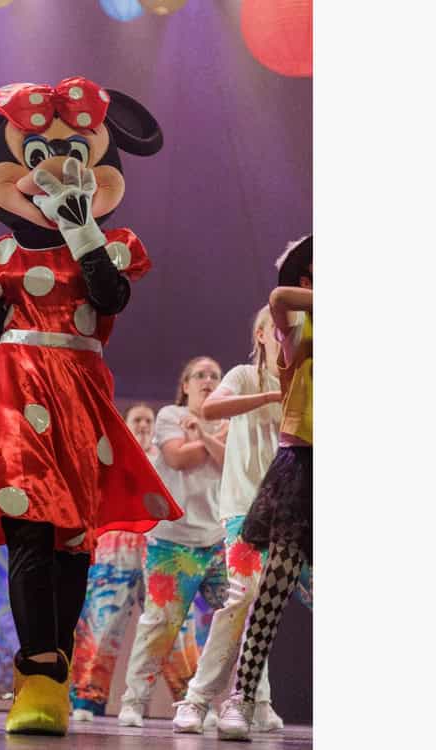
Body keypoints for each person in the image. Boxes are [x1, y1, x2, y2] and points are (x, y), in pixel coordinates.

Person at [0, 78, 181, 736]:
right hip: (14, 390)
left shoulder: (114, 243)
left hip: (80, 391)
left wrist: (80, 227)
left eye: (74, 152)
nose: (54, 167)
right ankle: (40, 674)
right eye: (36, 153)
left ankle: (57, 668)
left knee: (74, 539)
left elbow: (109, 298)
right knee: (28, 527)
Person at [172, 305, 310, 735]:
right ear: (262, 335)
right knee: (244, 596)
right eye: (280, 326)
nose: (289, 332)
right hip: (245, 509)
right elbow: (212, 409)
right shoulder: (244, 376)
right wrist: (271, 397)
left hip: (296, 513)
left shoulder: (308, 381)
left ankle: (255, 700)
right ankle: (198, 700)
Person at [218, 236, 313, 741]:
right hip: (304, 462)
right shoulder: (297, 327)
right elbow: (278, 298)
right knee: (274, 584)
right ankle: (241, 697)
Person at [71, 405, 212, 724]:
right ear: (126, 424)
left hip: (158, 547)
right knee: (103, 623)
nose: (145, 425)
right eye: (138, 420)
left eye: (149, 420)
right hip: (116, 550)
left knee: (174, 627)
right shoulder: (112, 457)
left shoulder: (167, 457)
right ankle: (86, 699)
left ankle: (191, 702)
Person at [118, 357, 230, 728]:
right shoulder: (170, 415)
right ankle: (133, 702)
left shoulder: (229, 422)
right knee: (158, 627)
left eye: (215, 376)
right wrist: (214, 440)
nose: (208, 380)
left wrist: (203, 436)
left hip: (216, 541)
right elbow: (178, 458)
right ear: (185, 385)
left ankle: (236, 705)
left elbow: (229, 462)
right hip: (172, 541)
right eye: (200, 375)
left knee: (236, 625)